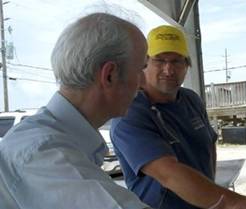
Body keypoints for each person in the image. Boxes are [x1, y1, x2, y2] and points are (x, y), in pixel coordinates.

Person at [111, 25, 246, 209]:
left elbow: (209, 147)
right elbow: (168, 173)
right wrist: (236, 202)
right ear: (143, 64)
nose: (168, 70)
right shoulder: (129, 112)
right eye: (159, 61)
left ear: (187, 65)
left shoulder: (191, 99)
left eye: (177, 61)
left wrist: (213, 197)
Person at [0, 12, 151, 209]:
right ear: (110, 75)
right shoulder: (42, 152)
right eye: (141, 69)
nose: (144, 83)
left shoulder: (55, 141)